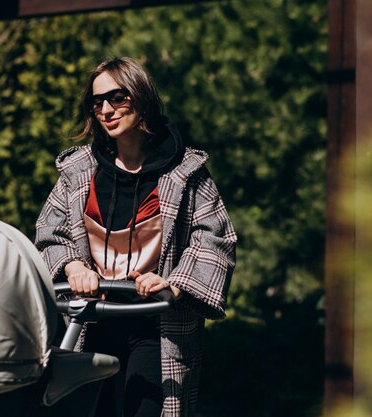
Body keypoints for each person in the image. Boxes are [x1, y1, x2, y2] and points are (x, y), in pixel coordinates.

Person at [35, 57, 237, 417]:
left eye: (117, 97)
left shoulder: (185, 173)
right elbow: (49, 232)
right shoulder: (78, 172)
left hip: (155, 326)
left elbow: (215, 239)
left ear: (141, 97)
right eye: (97, 102)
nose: (106, 109)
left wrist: (173, 284)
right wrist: (72, 265)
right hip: (91, 320)